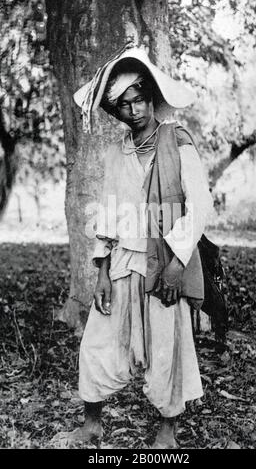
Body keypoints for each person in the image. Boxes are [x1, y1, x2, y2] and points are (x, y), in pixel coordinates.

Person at [54, 46, 213, 449]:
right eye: (124, 105)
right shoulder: (117, 151)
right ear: (117, 112)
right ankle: (92, 425)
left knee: (166, 345)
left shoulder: (177, 142)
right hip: (123, 259)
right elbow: (109, 212)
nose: (134, 110)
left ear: (151, 98)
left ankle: (167, 432)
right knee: (97, 343)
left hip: (164, 261)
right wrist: (103, 272)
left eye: (139, 100)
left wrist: (177, 263)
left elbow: (199, 206)